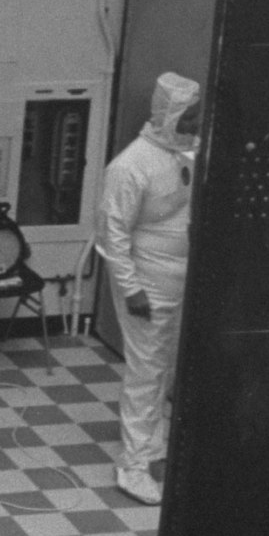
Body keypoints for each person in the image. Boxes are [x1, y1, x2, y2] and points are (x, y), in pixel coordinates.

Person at [96, 72, 202, 505]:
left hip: (180, 281)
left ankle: (153, 444)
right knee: (146, 373)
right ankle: (133, 465)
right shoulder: (129, 166)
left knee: (167, 367)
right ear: (167, 115)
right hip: (146, 286)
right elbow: (112, 235)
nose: (196, 124)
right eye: (188, 117)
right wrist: (131, 290)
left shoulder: (184, 153)